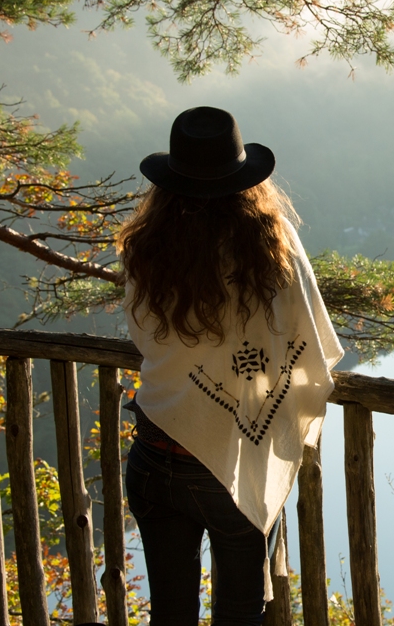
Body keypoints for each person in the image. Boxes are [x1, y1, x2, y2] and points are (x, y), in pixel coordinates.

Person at [116, 106, 344, 625]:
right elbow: (306, 331)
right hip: (233, 468)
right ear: (245, 180)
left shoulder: (147, 247)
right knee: (239, 617)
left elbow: (147, 336)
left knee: (171, 614)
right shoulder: (271, 243)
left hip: (153, 452)